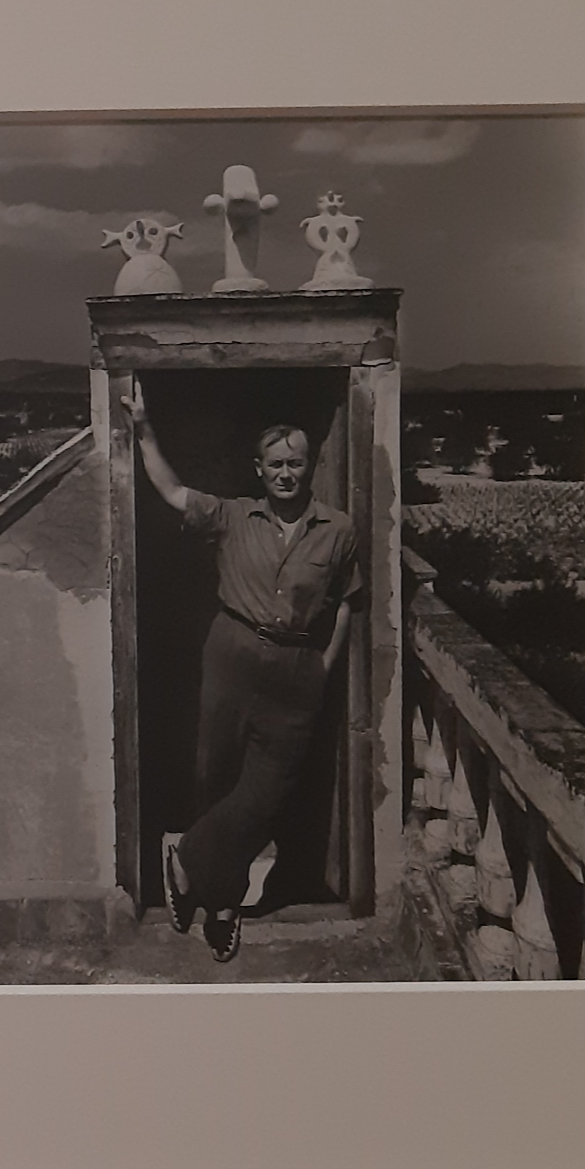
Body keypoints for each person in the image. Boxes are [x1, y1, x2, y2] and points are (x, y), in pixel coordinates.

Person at [129, 380, 360, 962]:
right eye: (275, 464)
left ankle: (184, 859)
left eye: (295, 463)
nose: (286, 474)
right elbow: (172, 491)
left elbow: (346, 603)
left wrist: (323, 666)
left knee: (266, 795)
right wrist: (145, 431)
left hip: (297, 667)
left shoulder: (338, 529)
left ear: (310, 466)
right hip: (231, 654)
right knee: (216, 779)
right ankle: (224, 905)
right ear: (259, 470)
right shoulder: (233, 516)